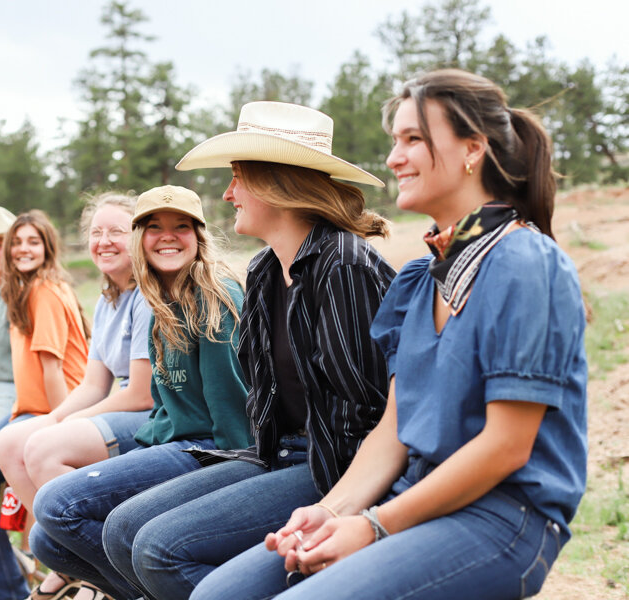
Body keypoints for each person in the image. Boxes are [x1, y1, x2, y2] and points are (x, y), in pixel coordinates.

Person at [192, 69, 588, 600]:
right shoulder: (419, 280)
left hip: (501, 515)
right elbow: (393, 429)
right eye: (394, 141)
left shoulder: (525, 263)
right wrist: (330, 511)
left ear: (473, 149)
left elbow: (506, 447)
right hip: (412, 496)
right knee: (217, 594)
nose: (394, 158)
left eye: (413, 139)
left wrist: (374, 526)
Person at [101, 101, 397, 600]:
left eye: (237, 178)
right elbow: (264, 396)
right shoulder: (263, 270)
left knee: (157, 548)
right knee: (122, 529)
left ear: (273, 184)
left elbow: (367, 412)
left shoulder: (344, 266)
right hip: (277, 453)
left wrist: (335, 509)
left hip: (333, 466)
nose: (227, 193)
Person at [29, 185, 252, 600]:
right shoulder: (159, 301)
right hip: (177, 442)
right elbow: (165, 408)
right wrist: (141, 453)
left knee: (58, 506)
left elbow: (229, 406)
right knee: (46, 541)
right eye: (154, 227)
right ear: (140, 239)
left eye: (181, 226)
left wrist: (229, 485)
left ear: (198, 236)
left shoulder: (213, 297)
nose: (168, 237)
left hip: (213, 451)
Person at [0, 193, 154, 599]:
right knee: (10, 443)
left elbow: (140, 394)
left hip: (152, 415)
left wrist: (65, 424)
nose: (104, 241)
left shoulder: (147, 296)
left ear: (138, 236)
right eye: (96, 233)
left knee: (45, 449)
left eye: (116, 231)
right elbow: (93, 384)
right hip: (121, 406)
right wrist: (54, 417)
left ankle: (104, 576)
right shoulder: (107, 300)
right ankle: (70, 560)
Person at [0, 209, 89, 600]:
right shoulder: (23, 291)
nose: (23, 249)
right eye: (17, 242)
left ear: (48, 247)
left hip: (50, 412)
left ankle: (3, 590)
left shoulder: (44, 290)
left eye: (33, 242)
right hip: (29, 410)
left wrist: (59, 426)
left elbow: (53, 369)